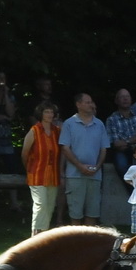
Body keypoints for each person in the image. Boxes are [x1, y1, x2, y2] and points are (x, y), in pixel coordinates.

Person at [58, 93, 110, 226]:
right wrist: (80, 166)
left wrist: (97, 167)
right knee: (75, 213)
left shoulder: (99, 124)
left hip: (95, 175)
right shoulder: (69, 124)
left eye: (91, 102)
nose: (91, 104)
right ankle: (76, 244)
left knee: (92, 212)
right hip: (75, 175)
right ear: (78, 105)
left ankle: (89, 243)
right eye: (87, 102)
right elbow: (65, 148)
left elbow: (103, 149)